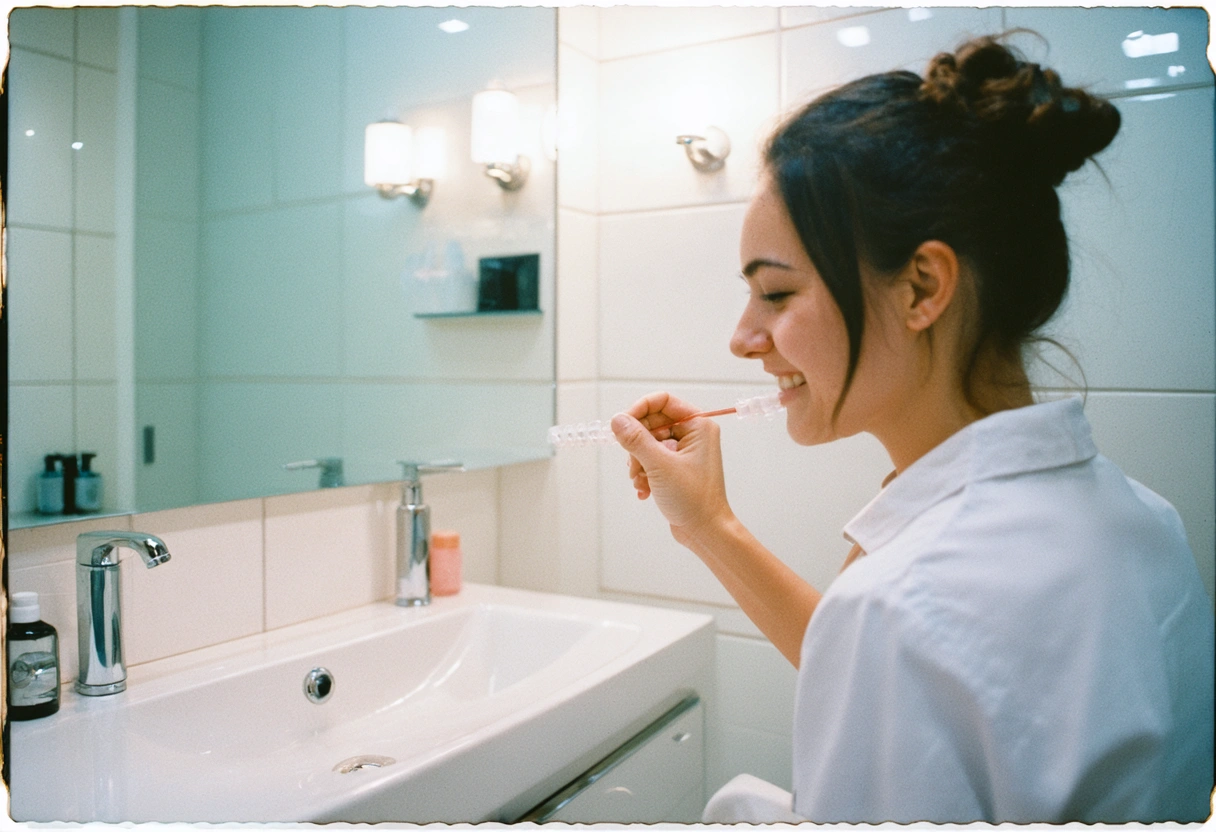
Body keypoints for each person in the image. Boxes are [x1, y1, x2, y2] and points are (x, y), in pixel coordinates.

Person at [609, 36, 1215, 824]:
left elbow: (899, 639)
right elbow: (902, 670)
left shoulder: (902, 606)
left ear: (922, 286)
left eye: (777, 294)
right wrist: (711, 525)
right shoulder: (1145, 521)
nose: (742, 337)